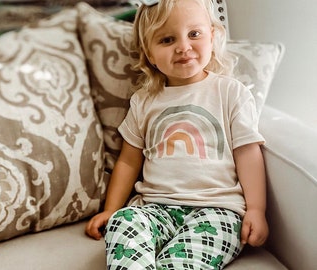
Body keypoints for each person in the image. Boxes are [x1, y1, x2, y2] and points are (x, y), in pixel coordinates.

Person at [85, 0, 269, 268]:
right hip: (154, 208)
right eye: (167, 39)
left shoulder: (230, 93)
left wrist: (256, 209)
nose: (183, 47)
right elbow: (128, 160)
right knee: (124, 221)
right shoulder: (144, 101)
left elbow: (248, 153)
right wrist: (111, 210)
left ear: (213, 36)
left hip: (217, 211)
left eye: (194, 34)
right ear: (148, 52)